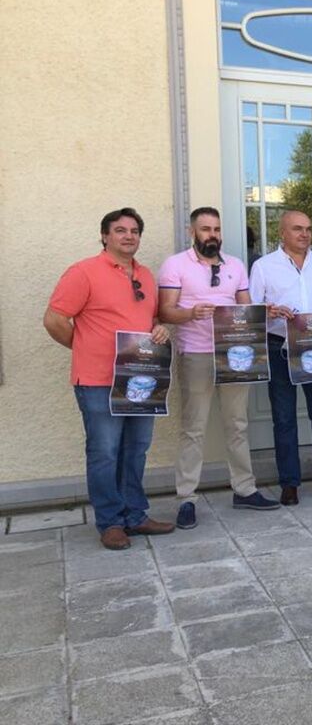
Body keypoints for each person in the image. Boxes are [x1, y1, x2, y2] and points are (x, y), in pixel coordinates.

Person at [43, 208, 175, 550]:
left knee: (136, 450)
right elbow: (55, 320)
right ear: (105, 236)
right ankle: (110, 521)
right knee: (104, 451)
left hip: (140, 378)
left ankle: (135, 515)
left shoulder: (145, 275)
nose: (128, 236)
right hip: (98, 380)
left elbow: (153, 318)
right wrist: (84, 346)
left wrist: (160, 329)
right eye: (120, 230)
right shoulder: (83, 272)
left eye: (134, 231)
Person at [158, 207, 280, 529]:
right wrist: (191, 314)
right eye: (205, 229)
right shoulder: (175, 265)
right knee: (193, 428)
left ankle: (245, 489)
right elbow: (165, 313)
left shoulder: (236, 265)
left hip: (234, 353)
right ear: (192, 232)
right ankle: (186, 498)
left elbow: (245, 308)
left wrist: (262, 310)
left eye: (216, 229)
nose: (212, 235)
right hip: (196, 353)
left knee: (237, 424)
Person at [249, 210, 312, 505]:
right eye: (297, 229)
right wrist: (269, 311)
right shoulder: (264, 267)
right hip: (280, 346)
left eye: (308, 229)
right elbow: (252, 309)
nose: (304, 234)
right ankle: (289, 483)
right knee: (284, 419)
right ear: (282, 233)